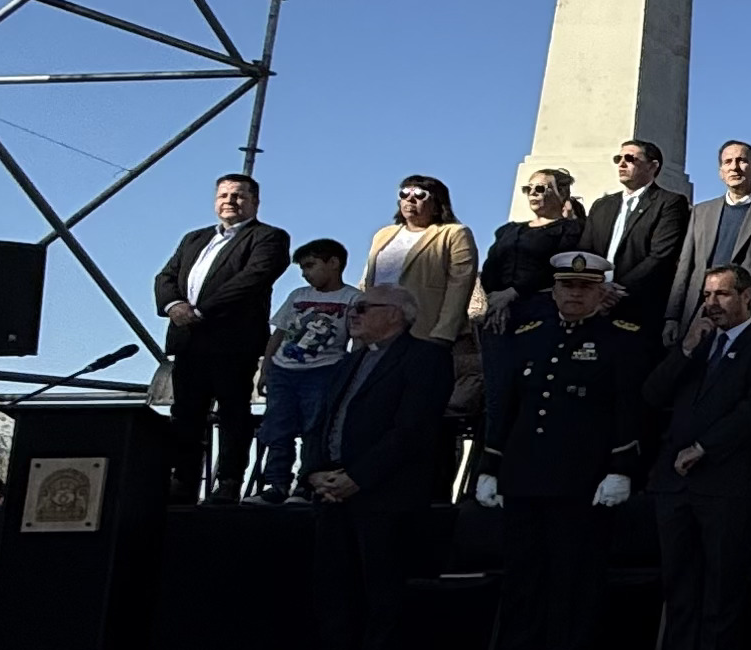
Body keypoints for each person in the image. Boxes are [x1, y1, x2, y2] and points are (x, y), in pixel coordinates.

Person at [474, 251, 649, 650]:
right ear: (553, 290)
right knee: (523, 579)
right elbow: (505, 405)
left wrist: (621, 468)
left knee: (573, 582)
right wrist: (490, 465)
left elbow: (627, 409)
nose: (574, 294)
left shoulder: (621, 339)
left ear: (600, 292)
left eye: (585, 287)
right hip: (524, 476)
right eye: (567, 286)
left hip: (582, 481)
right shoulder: (529, 335)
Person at [643, 265, 751, 650]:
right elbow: (652, 395)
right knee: (679, 581)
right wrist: (686, 350)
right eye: (706, 296)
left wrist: (704, 447)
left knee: (722, 581)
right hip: (674, 483)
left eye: (722, 295)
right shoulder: (696, 344)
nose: (712, 304)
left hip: (727, 481)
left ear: (746, 296)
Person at [299, 286, 454, 650]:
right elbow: (321, 420)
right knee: (332, 589)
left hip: (385, 497)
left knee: (381, 594)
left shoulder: (425, 358)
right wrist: (314, 472)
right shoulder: (348, 362)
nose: (354, 314)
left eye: (364, 308)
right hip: (333, 493)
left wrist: (358, 478)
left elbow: (412, 429)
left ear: (395, 315)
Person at [156, 173, 287, 501]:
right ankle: (183, 480)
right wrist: (174, 306)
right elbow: (166, 276)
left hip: (233, 342)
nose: (230, 201)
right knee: (186, 413)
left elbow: (252, 279)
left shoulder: (268, 237)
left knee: (233, 412)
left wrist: (201, 311)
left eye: (238, 195)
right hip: (189, 341)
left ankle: (228, 480)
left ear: (255, 202)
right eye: (224, 195)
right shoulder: (194, 238)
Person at [248, 239, 362, 500]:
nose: (305, 273)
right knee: (278, 426)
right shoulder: (298, 295)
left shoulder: (352, 298)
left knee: (315, 428)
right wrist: (266, 369)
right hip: (284, 370)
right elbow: (279, 333)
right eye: (302, 268)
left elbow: (357, 339)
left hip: (324, 370)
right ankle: (276, 483)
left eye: (310, 266)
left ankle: (307, 483)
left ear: (333, 263)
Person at [672, 141, 751, 326]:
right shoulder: (701, 212)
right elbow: (685, 267)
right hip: (698, 314)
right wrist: (673, 316)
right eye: (727, 162)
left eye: (742, 160)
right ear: (721, 172)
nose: (734, 167)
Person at [585, 141, 688, 343]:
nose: (622, 164)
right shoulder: (602, 205)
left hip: (637, 305)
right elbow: (586, 250)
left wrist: (616, 290)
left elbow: (661, 256)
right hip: (594, 303)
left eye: (630, 159)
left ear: (652, 166)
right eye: (618, 158)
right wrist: (593, 288)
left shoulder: (670, 202)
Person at [364, 176, 480, 353]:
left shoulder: (454, 233)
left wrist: (443, 333)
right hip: (376, 331)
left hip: (423, 330)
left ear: (436, 204)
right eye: (404, 194)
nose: (410, 199)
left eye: (419, 194)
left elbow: (459, 287)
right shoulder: (383, 235)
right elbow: (366, 281)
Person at [482, 165, 586, 321]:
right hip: (497, 311)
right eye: (527, 189)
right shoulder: (507, 231)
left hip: (542, 310)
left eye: (540, 188)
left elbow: (559, 267)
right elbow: (490, 269)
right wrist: (491, 300)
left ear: (562, 193)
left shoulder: (573, 230)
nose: (532, 193)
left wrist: (514, 293)